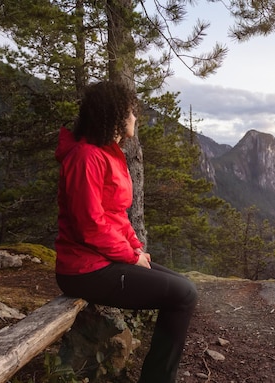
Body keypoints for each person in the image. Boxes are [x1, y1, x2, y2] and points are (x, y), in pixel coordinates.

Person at [54, 81, 198, 383]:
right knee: (183, 294)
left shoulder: (108, 153)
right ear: (115, 115)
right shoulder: (86, 158)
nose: (135, 117)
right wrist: (130, 258)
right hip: (84, 269)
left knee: (183, 287)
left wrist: (136, 248)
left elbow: (117, 214)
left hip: (103, 260)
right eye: (131, 111)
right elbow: (89, 225)